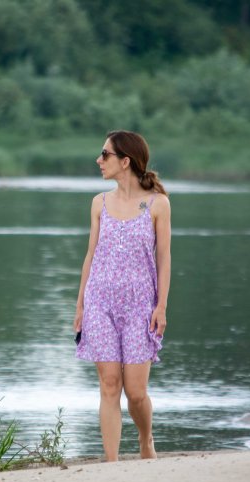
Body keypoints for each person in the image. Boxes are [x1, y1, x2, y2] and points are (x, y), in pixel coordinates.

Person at [74, 130, 171, 462]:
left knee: (136, 392)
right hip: (100, 302)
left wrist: (161, 306)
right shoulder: (99, 203)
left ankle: (146, 440)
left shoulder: (158, 204)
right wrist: (81, 306)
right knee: (109, 385)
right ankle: (112, 463)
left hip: (141, 306)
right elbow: (91, 255)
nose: (99, 161)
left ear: (125, 161)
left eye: (105, 155)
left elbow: (164, 258)